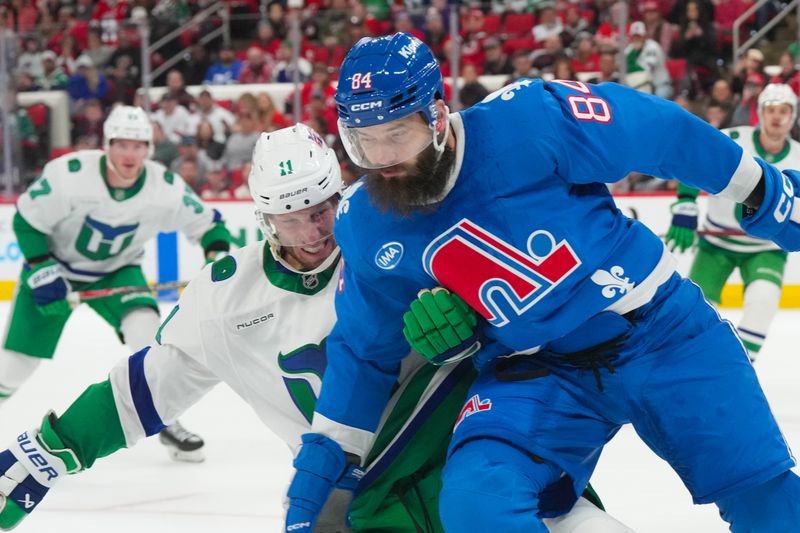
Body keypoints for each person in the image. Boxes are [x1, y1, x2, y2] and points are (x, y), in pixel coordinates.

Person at [0, 125, 633, 533]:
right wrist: (51, 451)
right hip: (357, 498)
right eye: (293, 215)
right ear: (265, 217)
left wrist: (471, 329)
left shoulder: (405, 235)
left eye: (325, 206)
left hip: (476, 452)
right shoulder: (225, 299)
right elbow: (145, 389)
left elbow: (521, 328)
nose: (316, 228)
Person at [283, 33, 800, 533]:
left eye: (397, 134)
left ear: (437, 117)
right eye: (364, 142)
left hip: (661, 332)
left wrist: (759, 190)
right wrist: (324, 457)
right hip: (535, 370)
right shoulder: (364, 220)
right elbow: (364, 348)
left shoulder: (528, 117)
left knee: (767, 503)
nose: (384, 159)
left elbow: (655, 131)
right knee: (476, 502)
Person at [0, 106, 232, 463]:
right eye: (121, 144)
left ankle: (167, 421)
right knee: (14, 368)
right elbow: (28, 221)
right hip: (54, 268)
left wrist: (216, 256)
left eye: (138, 145)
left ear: (148, 149)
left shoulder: (163, 187)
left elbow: (210, 225)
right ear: (107, 145)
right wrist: (42, 267)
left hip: (119, 271)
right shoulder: (71, 175)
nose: (130, 154)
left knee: (150, 339)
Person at [666, 84, 800, 361]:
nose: (777, 117)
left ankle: (739, 367)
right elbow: (695, 158)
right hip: (716, 245)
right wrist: (686, 202)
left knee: (763, 301)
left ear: (793, 115)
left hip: (766, 249)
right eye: (771, 110)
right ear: (760, 113)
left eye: (784, 111)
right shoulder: (735, 140)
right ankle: (689, 366)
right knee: (695, 311)